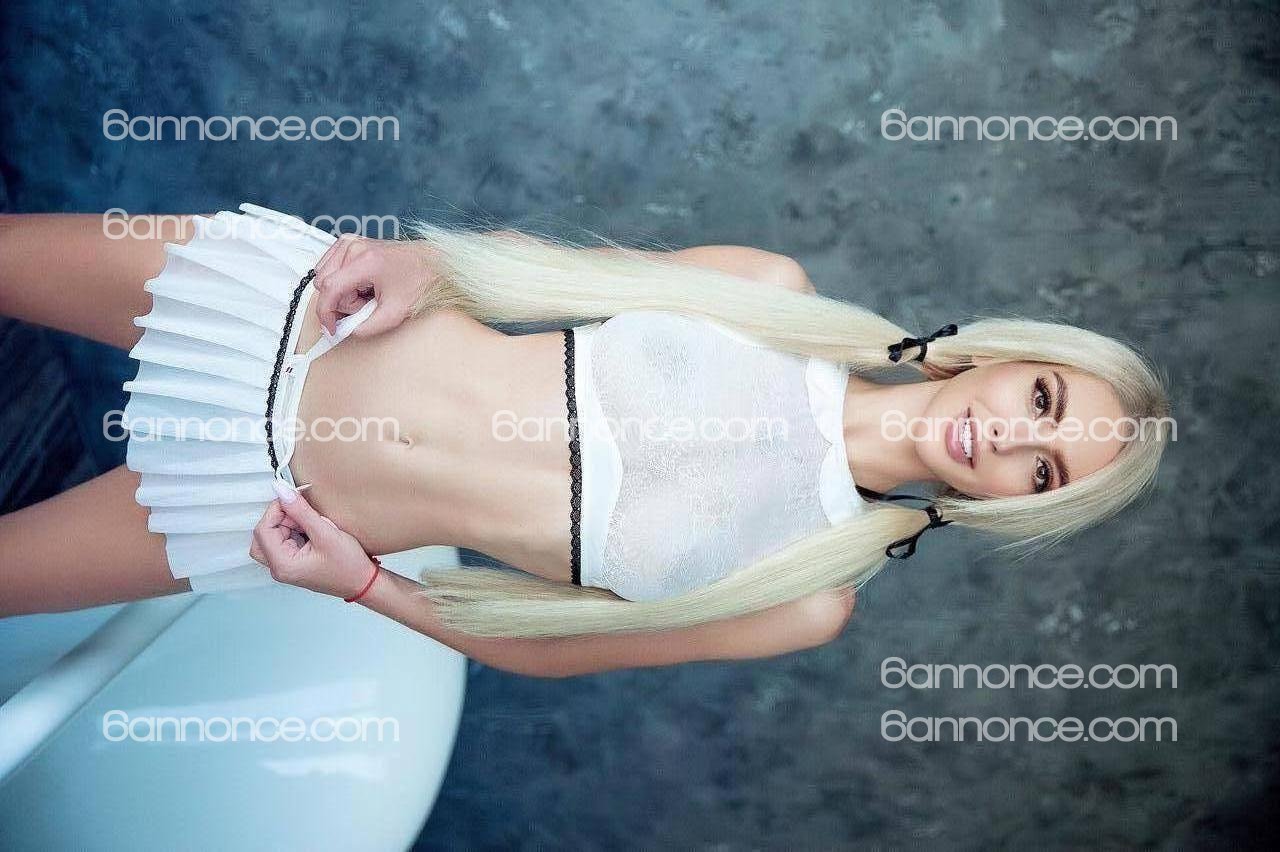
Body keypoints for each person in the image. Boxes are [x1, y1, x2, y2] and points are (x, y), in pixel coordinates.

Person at [0, 205, 1170, 677]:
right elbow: (539, 273)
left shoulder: (806, 598)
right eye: (1040, 400)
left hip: (268, 503)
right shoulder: (771, 290)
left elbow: (550, 651)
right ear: (1004, 357)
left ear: (1017, 506)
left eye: (1041, 471)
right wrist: (423, 263)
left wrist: (358, 582)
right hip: (297, 315)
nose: (1009, 436)